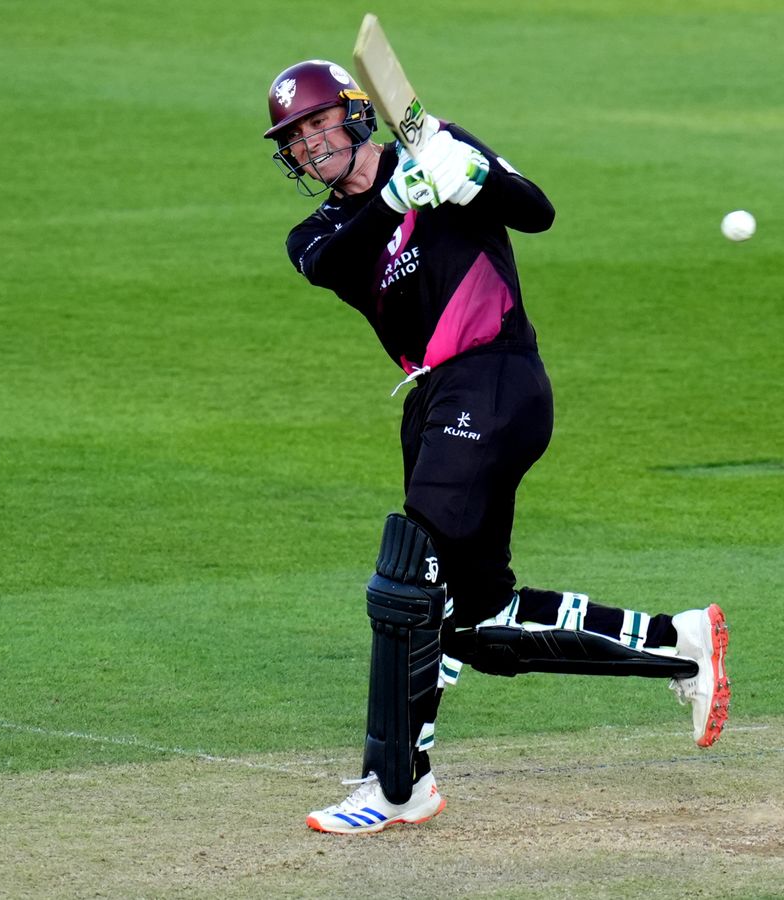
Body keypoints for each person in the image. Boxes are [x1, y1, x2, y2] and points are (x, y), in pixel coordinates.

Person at [262, 59, 731, 835]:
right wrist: (401, 194)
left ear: (355, 115)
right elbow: (346, 257)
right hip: (435, 399)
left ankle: (398, 785)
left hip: (498, 378)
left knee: (408, 578)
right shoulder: (315, 235)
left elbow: (537, 212)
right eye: (295, 138)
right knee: (475, 617)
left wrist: (470, 171)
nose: (310, 147)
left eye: (318, 125)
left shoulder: (439, 149)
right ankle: (678, 645)